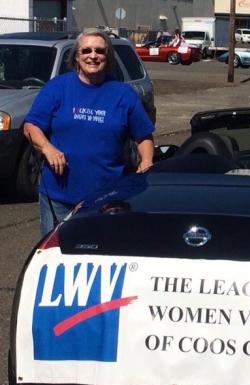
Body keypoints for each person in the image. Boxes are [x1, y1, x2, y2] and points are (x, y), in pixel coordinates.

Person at [23, 28, 155, 235]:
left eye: (99, 51)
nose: (92, 56)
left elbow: (144, 136)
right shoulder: (57, 87)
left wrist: (147, 161)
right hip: (59, 195)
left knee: (100, 254)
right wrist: (47, 148)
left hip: (107, 197)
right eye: (86, 51)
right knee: (57, 254)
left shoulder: (123, 94)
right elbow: (31, 127)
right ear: (76, 56)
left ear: (107, 56)